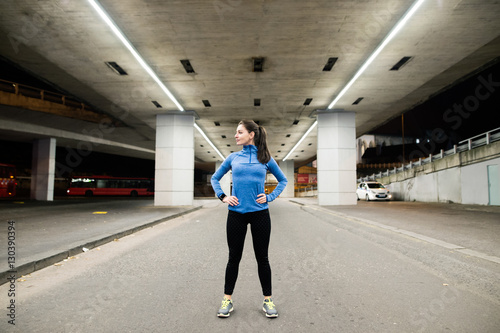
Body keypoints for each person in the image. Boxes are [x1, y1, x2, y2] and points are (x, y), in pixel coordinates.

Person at [211, 119, 288, 318]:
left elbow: (283, 180)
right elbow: (215, 178)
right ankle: (227, 300)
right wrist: (224, 196)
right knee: (233, 258)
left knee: (262, 258)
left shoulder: (265, 158)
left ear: (251, 134)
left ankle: (268, 300)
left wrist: (269, 196)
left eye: (239, 132)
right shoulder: (233, 158)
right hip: (236, 214)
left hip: (260, 214)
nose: (235, 135)